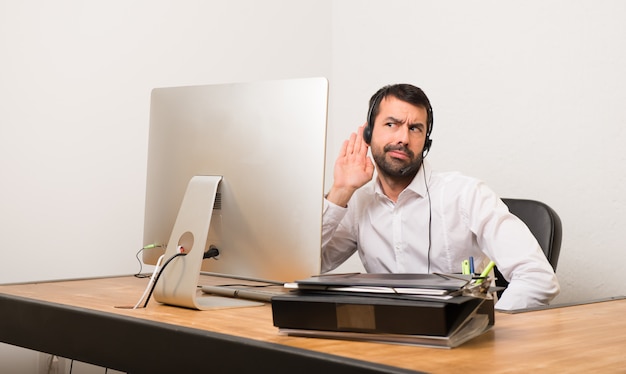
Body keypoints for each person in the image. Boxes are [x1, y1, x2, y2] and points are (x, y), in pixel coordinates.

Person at [321, 83, 559, 311]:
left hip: (461, 345)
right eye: (392, 124)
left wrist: (484, 326)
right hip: (387, 339)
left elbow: (537, 277)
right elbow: (303, 267)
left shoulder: (467, 195)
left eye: (415, 128)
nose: (403, 138)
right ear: (369, 134)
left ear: (426, 142)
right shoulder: (357, 204)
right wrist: (341, 190)